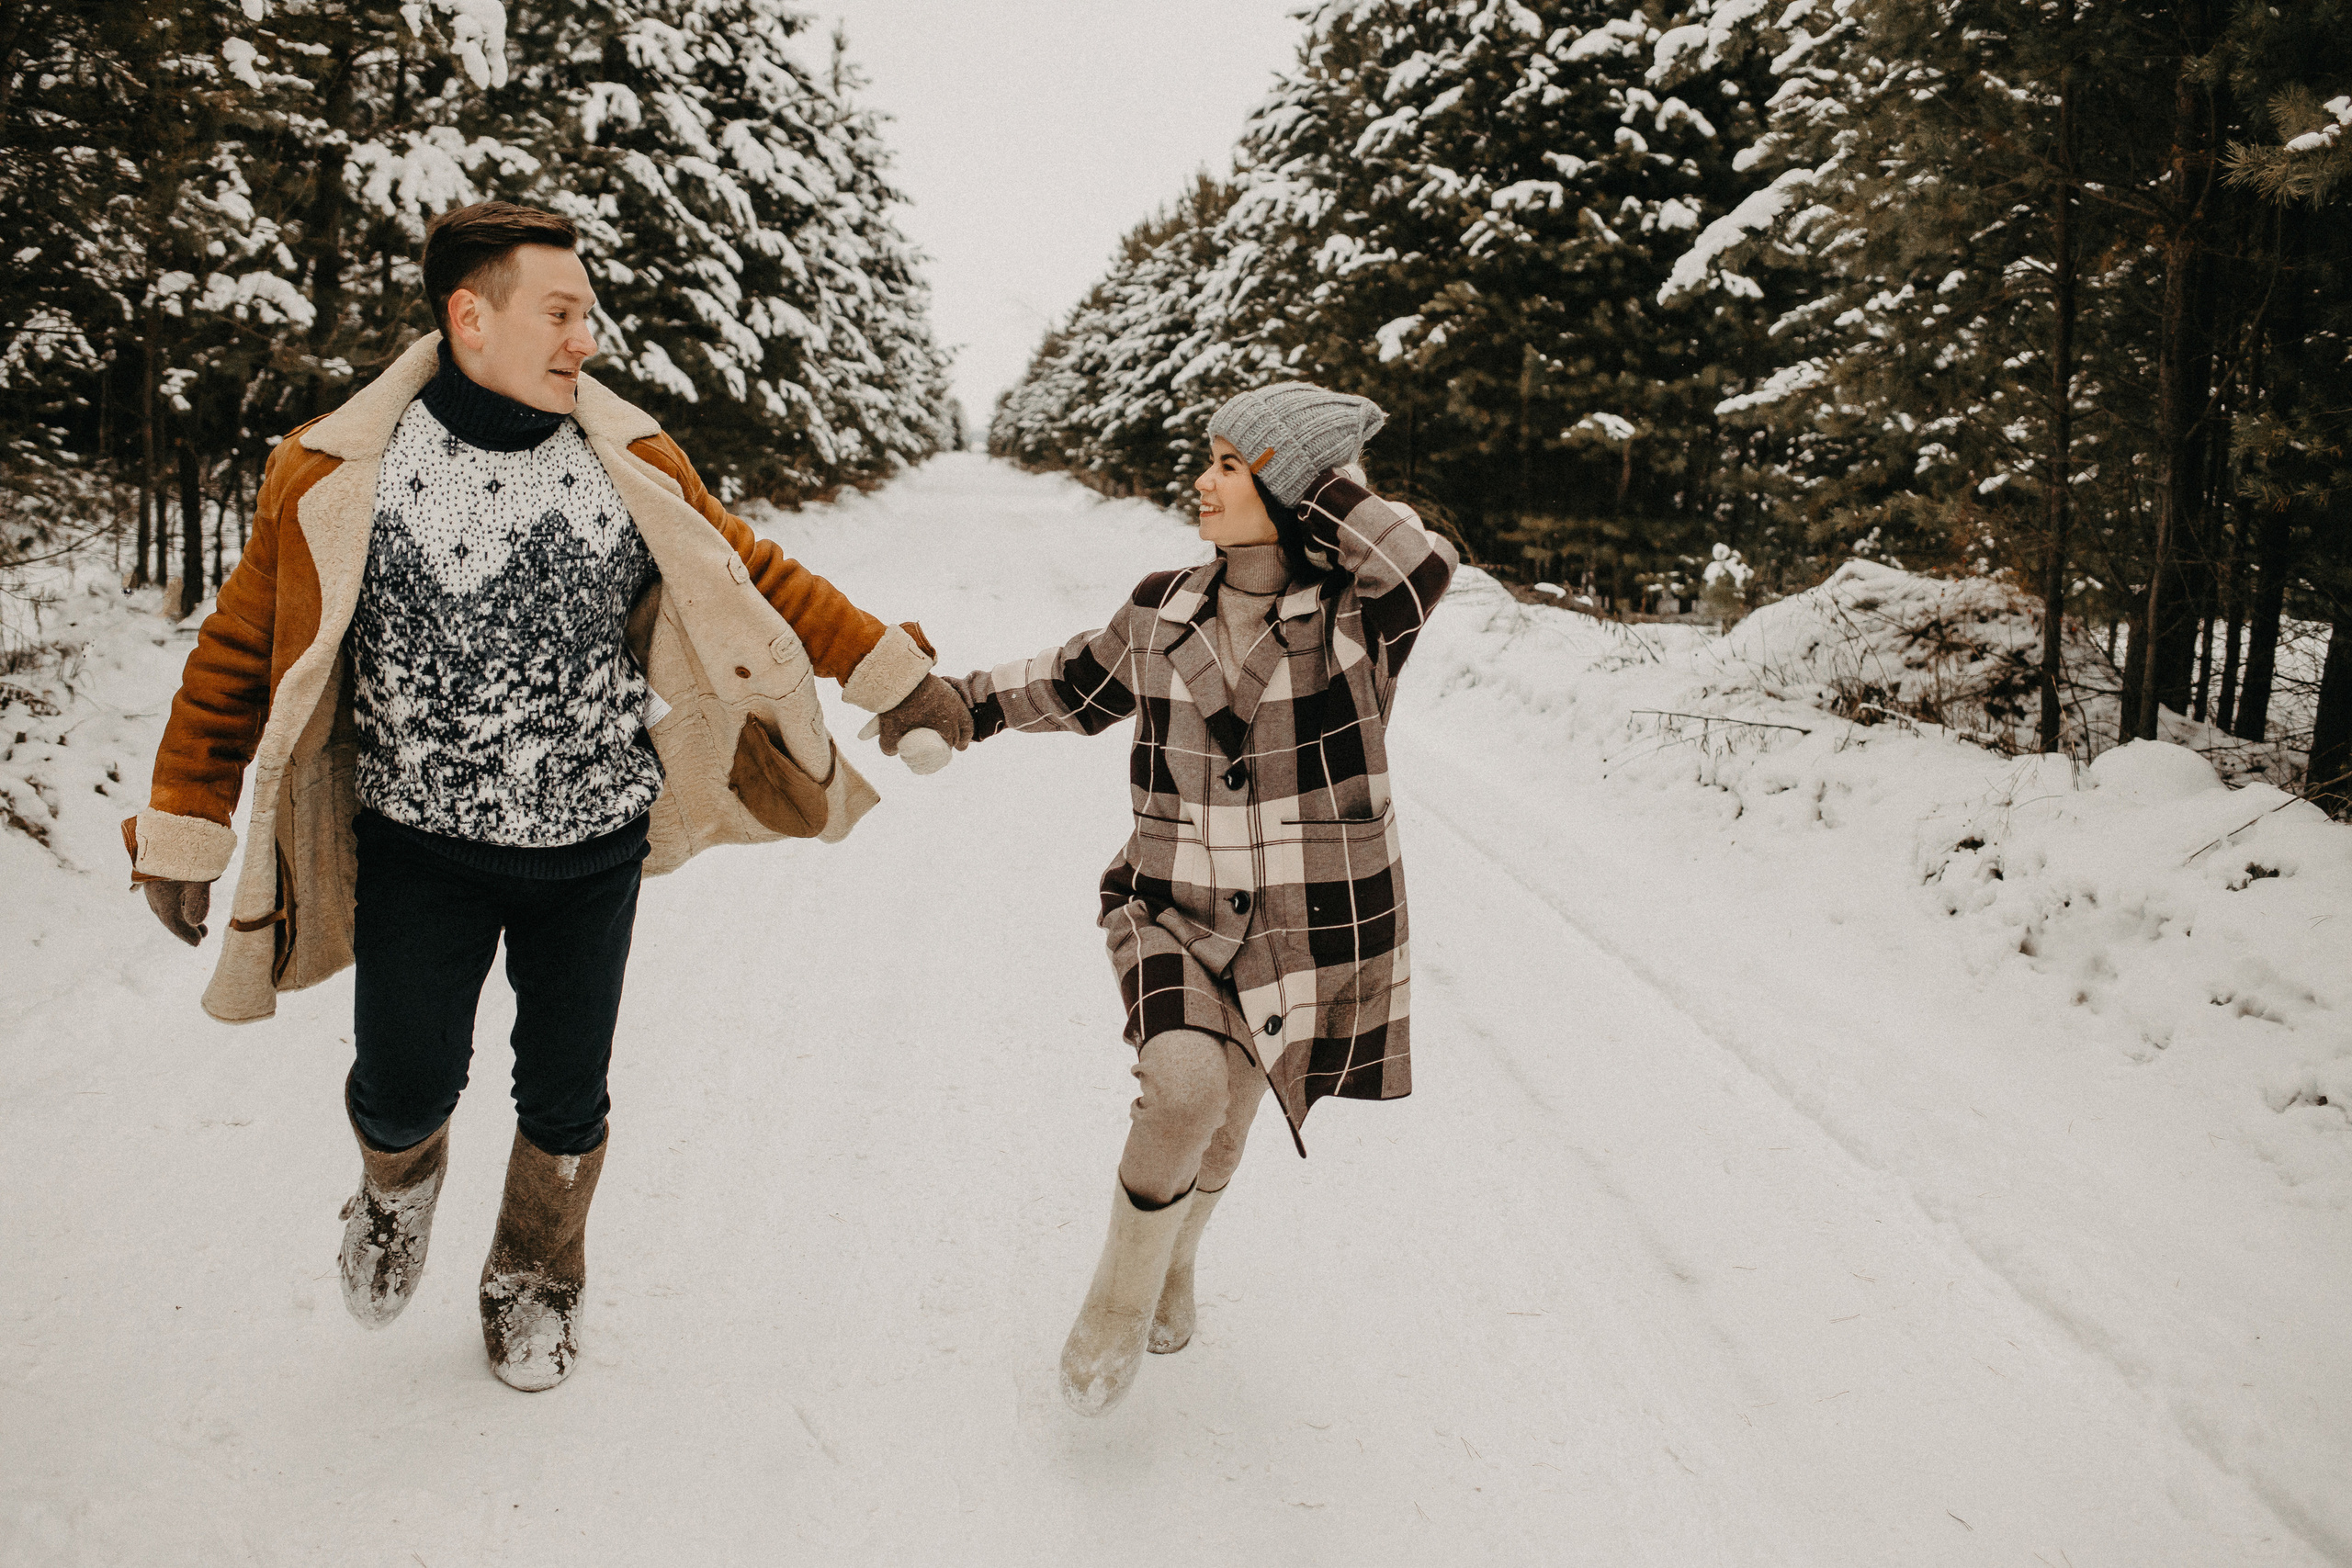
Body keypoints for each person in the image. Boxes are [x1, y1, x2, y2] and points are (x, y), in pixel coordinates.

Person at [125, 201, 971, 1391]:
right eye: (562, 313)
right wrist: (186, 819)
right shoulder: (335, 471)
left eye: (590, 314)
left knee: (566, 1095)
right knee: (402, 1085)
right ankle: (394, 1188)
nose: (587, 339)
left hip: (591, 847)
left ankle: (535, 1269)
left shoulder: (629, 460)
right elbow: (235, 653)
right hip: (418, 846)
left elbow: (757, 578)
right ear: (471, 317)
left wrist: (894, 673)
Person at [943, 382, 1457, 1415]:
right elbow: (1071, 683)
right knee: (1184, 1093)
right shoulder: (1161, 607)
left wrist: (1304, 470)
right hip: (1168, 907)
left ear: (1295, 484)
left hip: (1297, 931)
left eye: (1231, 463)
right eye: (1209, 458)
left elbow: (1419, 559)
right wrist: (961, 704)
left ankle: (1177, 1258)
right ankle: (1117, 1302)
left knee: (1226, 1126)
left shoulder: (1357, 618)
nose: (1203, 481)